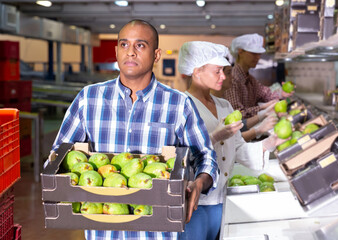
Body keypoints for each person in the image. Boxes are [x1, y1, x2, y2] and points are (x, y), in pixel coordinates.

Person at [50, 19, 219, 240]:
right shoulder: (88, 98)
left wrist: (199, 182)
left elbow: (205, 156)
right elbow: (59, 154)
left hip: (158, 233)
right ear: (116, 51)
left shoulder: (178, 104)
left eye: (140, 45)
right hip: (103, 232)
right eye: (124, 44)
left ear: (156, 55)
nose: (130, 52)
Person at [177, 41, 284, 240]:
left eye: (224, 70)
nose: (224, 77)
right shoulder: (181, 106)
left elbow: (238, 149)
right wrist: (216, 136)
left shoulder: (224, 105)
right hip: (195, 202)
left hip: (222, 199)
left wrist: (270, 143)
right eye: (217, 71)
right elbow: (178, 157)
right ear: (197, 71)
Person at [224, 33, 293, 119]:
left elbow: (265, 94)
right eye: (253, 53)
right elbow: (238, 114)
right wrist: (263, 108)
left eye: (259, 54)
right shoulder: (232, 80)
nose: (258, 57)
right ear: (240, 52)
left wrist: (281, 93)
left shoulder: (250, 79)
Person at [212, 65, 277, 142]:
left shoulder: (224, 104)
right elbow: (233, 140)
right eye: (229, 73)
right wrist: (258, 129)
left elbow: (238, 127)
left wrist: (262, 114)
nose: (232, 77)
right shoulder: (210, 107)